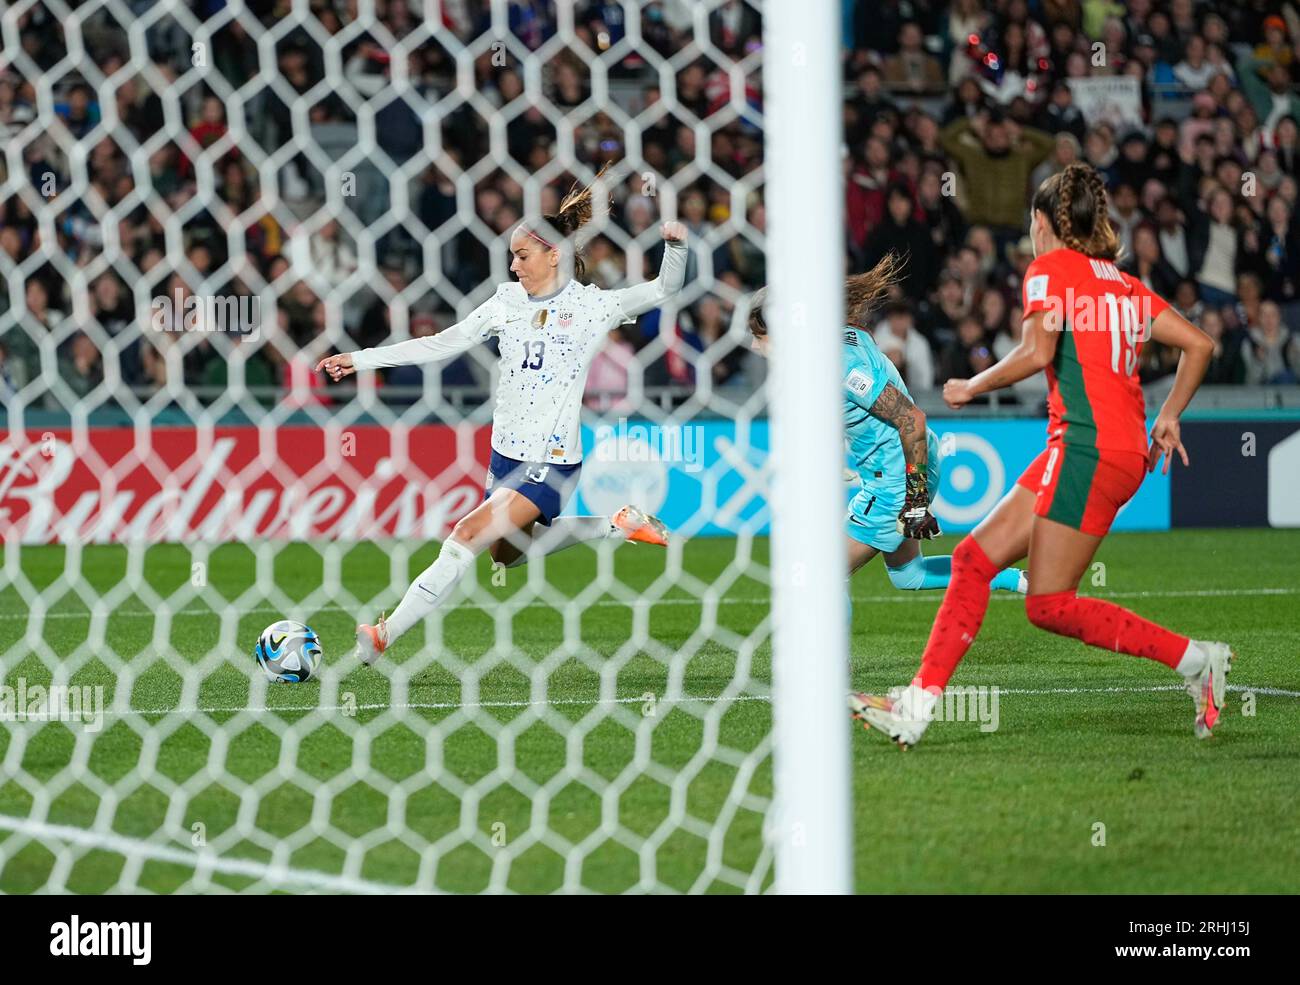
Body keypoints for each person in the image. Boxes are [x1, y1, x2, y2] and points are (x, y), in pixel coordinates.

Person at [851, 164, 1231, 748]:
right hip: (1111, 450)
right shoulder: (1124, 286)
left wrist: (971, 386)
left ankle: (1197, 661)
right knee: (976, 561)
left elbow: (1035, 350)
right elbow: (1200, 344)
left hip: (1086, 446)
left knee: (1048, 602)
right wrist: (1171, 414)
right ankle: (916, 704)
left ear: (1043, 222)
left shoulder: (1050, 270)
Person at [316, 172, 689, 663]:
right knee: (507, 554)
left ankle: (384, 635)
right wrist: (362, 359)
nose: (514, 266)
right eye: (512, 255)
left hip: (552, 459)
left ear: (554, 254)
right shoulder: (506, 302)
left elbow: (665, 288)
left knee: (466, 534)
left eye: (523, 255)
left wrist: (676, 246)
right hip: (506, 452)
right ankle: (614, 525)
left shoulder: (593, 305)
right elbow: (440, 342)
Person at [746, 254, 1025, 597]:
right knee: (910, 575)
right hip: (905, 465)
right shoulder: (842, 339)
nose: (757, 345)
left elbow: (911, 419)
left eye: (761, 336)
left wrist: (916, 501)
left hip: (899, 477)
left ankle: (830, 655)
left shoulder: (841, 365)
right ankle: (1015, 579)